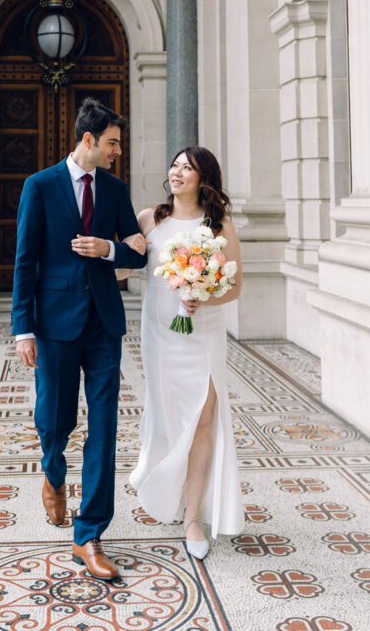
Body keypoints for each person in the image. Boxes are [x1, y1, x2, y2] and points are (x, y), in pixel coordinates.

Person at [12, 97, 148, 580]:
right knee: (55, 418)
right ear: (88, 140)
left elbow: (137, 252)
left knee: (104, 427)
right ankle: (52, 471)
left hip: (104, 323)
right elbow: (25, 260)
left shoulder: (115, 188)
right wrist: (22, 328)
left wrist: (108, 248)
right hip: (53, 323)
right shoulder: (40, 186)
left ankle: (88, 534)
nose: (117, 151)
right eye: (112, 143)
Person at [128, 146, 243, 559]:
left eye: (187, 168)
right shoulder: (149, 218)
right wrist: (119, 250)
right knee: (168, 414)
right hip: (160, 333)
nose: (177, 173)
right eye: (174, 165)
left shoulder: (219, 226)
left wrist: (201, 298)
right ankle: (167, 488)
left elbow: (235, 286)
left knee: (203, 418)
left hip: (203, 333)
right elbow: (123, 270)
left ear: (203, 179)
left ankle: (193, 516)